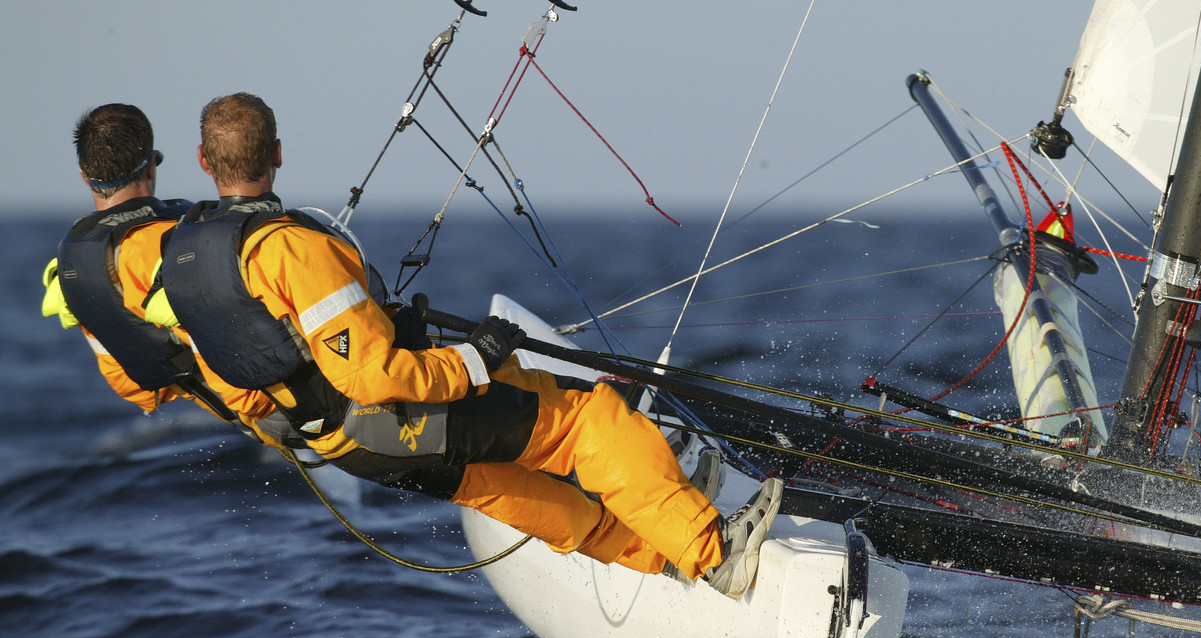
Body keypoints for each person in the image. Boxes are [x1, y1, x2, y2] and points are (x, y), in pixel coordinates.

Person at [158, 92, 779, 598]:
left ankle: (666, 553)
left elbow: (236, 385)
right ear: (277, 154)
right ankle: (713, 552)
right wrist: (473, 358)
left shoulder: (182, 258)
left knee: (513, 485)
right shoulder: (295, 249)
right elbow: (373, 375)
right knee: (588, 421)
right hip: (386, 420)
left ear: (203, 161)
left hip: (341, 445)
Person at [42, 103, 280, 434]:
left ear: (84, 176)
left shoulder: (75, 261)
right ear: (151, 166)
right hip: (270, 401)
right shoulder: (171, 242)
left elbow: (132, 384)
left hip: (209, 400)